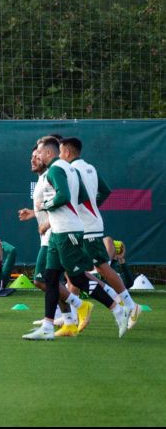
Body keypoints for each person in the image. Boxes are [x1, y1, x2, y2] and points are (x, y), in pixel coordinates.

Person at [23, 136, 127, 341]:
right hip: (60, 232)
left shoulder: (55, 169)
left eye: (41, 152)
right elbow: (79, 197)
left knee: (78, 278)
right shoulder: (68, 168)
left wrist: (46, 207)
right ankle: (47, 326)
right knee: (50, 278)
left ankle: (116, 309)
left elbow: (62, 196)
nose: (38, 155)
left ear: (49, 153)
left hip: (67, 232)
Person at [59, 137, 141, 329]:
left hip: (86, 227)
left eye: (61, 152)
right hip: (88, 224)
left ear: (67, 153)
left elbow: (71, 198)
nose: (60, 156)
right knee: (74, 272)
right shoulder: (90, 168)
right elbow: (105, 191)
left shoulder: (72, 170)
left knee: (102, 267)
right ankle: (71, 318)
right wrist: (93, 208)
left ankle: (130, 305)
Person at [18, 146, 93, 337]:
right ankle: (66, 321)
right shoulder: (44, 178)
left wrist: (49, 223)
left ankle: (85, 306)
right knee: (53, 279)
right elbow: (53, 205)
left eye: (37, 156)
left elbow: (65, 203)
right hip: (52, 235)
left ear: (47, 156)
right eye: (32, 156)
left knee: (44, 279)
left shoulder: (53, 174)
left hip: (56, 235)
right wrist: (34, 213)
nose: (33, 159)